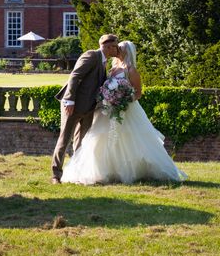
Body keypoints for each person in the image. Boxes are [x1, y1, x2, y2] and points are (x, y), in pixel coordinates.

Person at [61, 41, 187, 184]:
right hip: (107, 110)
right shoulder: (112, 68)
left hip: (125, 110)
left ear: (126, 52)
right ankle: (104, 172)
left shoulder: (131, 70)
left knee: (128, 140)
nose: (116, 50)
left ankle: (134, 171)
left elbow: (138, 93)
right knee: (100, 139)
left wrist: (122, 100)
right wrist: (109, 98)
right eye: (116, 47)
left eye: (119, 48)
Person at [51, 34, 120, 183]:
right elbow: (75, 76)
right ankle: (56, 175)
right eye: (115, 46)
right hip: (73, 106)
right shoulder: (91, 55)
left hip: (89, 108)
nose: (117, 49)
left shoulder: (104, 62)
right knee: (64, 139)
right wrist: (69, 99)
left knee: (82, 142)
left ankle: (77, 173)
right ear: (108, 47)